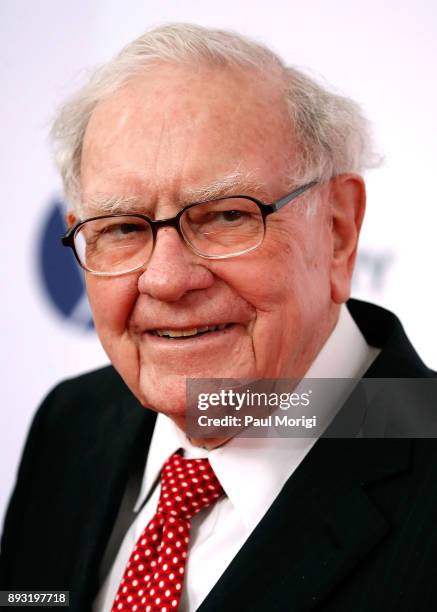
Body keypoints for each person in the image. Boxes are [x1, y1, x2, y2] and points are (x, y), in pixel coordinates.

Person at [1, 23, 436, 612]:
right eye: (123, 228)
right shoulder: (72, 423)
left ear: (337, 231)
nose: (167, 279)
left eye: (226, 216)